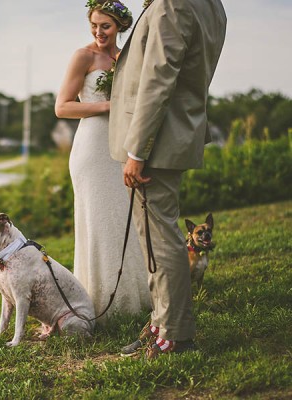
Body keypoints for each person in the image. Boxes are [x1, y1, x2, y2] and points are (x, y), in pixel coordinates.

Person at [109, 0, 226, 359]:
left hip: (157, 141)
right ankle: (161, 323)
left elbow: (159, 77)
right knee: (158, 238)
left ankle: (174, 334)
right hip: (175, 132)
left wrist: (138, 151)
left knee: (161, 242)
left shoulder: (173, 4)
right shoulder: (214, 5)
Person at [55, 0, 151, 321]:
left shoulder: (124, 57)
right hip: (92, 148)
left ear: (120, 27)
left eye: (105, 26)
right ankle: (100, 302)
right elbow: (63, 107)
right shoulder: (83, 56)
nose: (98, 32)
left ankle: (139, 297)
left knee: (125, 216)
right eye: (94, 25)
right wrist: (108, 105)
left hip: (121, 145)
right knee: (99, 218)